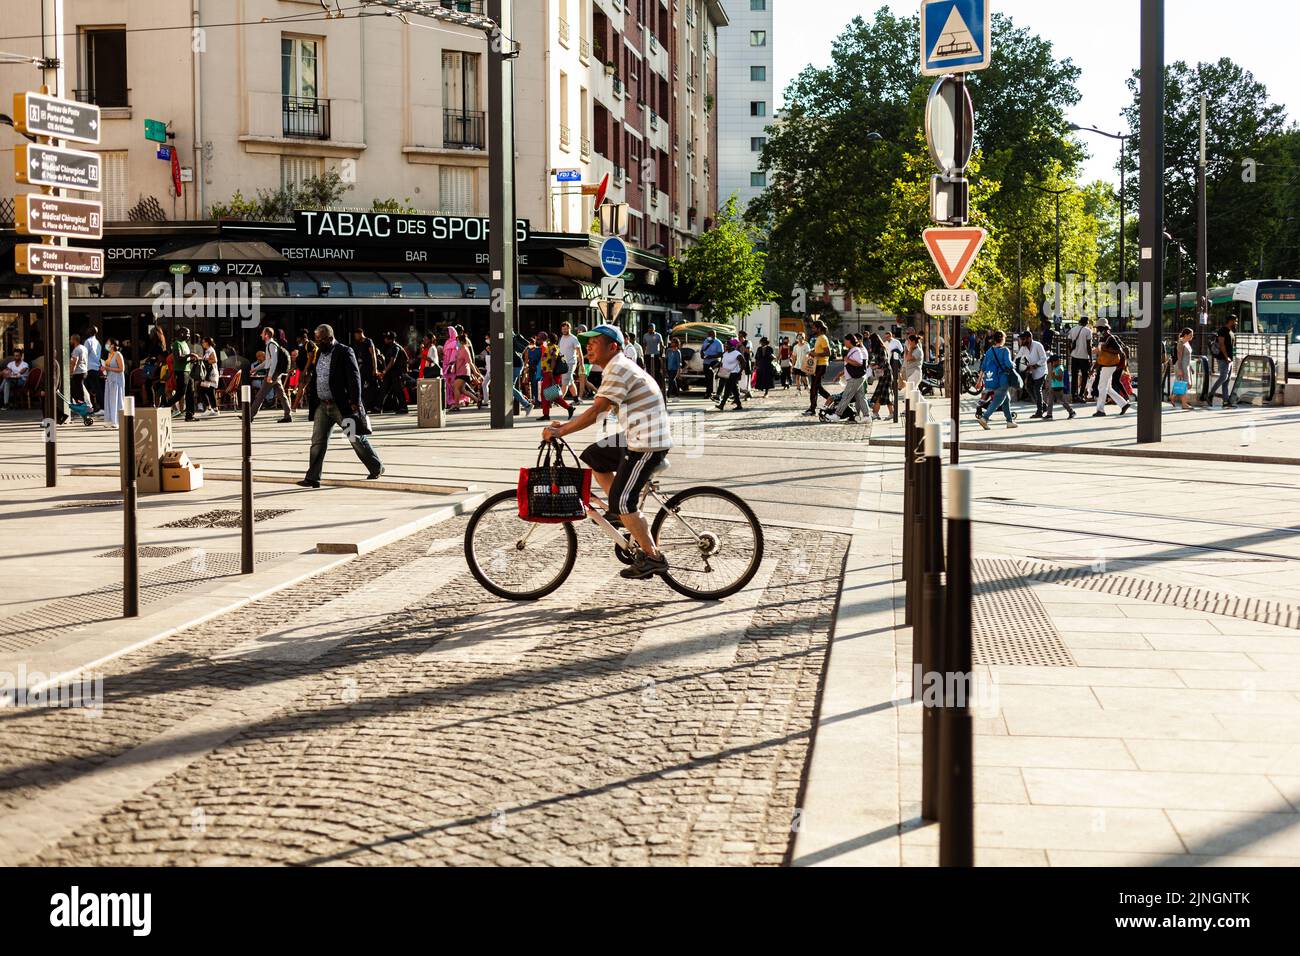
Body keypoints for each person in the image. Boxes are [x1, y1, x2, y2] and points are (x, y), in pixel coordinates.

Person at [543, 324, 673, 581]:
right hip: (637, 437)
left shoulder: (619, 369)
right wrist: (566, 425)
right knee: (594, 456)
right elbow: (597, 410)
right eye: (587, 342)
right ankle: (617, 513)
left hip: (647, 444)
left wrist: (562, 431)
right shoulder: (616, 367)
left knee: (624, 501)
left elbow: (597, 411)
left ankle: (653, 557)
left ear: (612, 346)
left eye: (595, 342)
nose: (588, 346)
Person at [298, 324, 384, 488]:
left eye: (320, 340)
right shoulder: (320, 353)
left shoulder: (344, 351)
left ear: (330, 338)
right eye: (316, 339)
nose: (317, 343)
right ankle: (312, 478)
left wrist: (355, 402)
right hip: (323, 406)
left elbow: (354, 378)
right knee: (317, 442)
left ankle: (376, 467)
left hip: (341, 406)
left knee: (355, 439)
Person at [976, 331, 1018, 430]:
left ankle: (1009, 421)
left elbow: (983, 367)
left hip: (991, 380)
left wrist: (979, 381)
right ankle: (984, 418)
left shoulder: (989, 351)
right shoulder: (1005, 350)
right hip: (1002, 380)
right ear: (1003, 339)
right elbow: (1008, 364)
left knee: (1006, 399)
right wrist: (1014, 365)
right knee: (997, 400)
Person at [823, 334, 869, 423]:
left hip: (855, 378)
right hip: (856, 377)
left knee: (846, 396)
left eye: (845, 341)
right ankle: (867, 416)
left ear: (849, 341)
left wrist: (847, 360)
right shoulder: (854, 350)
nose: (844, 342)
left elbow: (859, 363)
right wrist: (840, 374)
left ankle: (837, 415)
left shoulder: (856, 350)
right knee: (860, 397)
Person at [250, 326, 291, 422]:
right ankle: (288, 415)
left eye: (262, 333)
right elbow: (267, 362)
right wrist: (255, 369)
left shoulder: (271, 345)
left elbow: (274, 361)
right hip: (275, 373)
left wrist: (270, 375)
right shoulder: (270, 344)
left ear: (267, 335)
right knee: (281, 394)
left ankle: (249, 415)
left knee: (260, 394)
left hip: (273, 373)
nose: (261, 334)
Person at [1091, 322, 1131, 417]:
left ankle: (1100, 410)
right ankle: (1124, 404)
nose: (1097, 331)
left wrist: (1106, 349)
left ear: (1102, 329)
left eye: (1098, 329)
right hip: (1104, 365)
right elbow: (1101, 355)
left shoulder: (1111, 338)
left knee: (1102, 387)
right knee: (1108, 388)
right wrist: (1093, 367)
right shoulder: (1102, 338)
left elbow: (1120, 351)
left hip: (1108, 366)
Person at [1016, 330, 1050, 419]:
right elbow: (1017, 358)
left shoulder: (1038, 345)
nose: (1021, 341)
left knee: (1037, 389)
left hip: (1041, 371)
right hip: (1031, 372)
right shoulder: (1023, 348)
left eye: (1023, 339)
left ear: (1029, 338)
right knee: (1028, 387)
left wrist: (1035, 366)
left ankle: (1040, 411)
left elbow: (1043, 359)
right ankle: (1043, 406)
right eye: (1021, 339)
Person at [802, 320, 833, 416]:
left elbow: (828, 353)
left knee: (814, 387)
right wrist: (813, 351)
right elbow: (820, 350)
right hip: (817, 365)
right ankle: (832, 399)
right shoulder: (819, 338)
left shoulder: (823, 338)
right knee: (817, 387)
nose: (812, 329)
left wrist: (815, 354)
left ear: (819, 328)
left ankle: (812, 409)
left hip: (821, 365)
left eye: (814, 328)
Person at [1209, 315, 1237, 408]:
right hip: (1223, 358)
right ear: (1230, 321)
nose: (1236, 323)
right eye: (1235, 321)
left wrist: (1230, 358)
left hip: (1230, 359)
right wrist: (1226, 357)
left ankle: (1225, 401)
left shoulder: (1231, 332)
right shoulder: (1222, 331)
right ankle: (1210, 395)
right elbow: (1221, 344)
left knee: (1227, 380)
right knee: (1223, 377)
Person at [866, 332, 894, 421]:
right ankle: (876, 413)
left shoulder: (881, 349)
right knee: (880, 394)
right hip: (883, 374)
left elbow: (883, 362)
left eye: (871, 341)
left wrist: (873, 366)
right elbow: (880, 362)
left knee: (885, 394)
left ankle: (891, 413)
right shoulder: (878, 349)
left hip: (886, 374)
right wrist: (872, 364)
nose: (870, 342)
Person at [379, 331, 410, 414]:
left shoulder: (395, 347)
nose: (384, 339)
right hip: (391, 373)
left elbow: (393, 361)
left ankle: (403, 408)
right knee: (384, 389)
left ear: (391, 339)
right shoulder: (389, 347)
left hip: (396, 372)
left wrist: (385, 371)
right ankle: (380, 407)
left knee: (398, 390)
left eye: (386, 338)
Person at [352, 328, 380, 412]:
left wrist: (375, 368)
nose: (355, 337)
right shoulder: (358, 343)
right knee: (359, 386)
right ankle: (362, 406)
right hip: (362, 367)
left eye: (356, 335)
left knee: (373, 386)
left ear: (360, 333)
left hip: (369, 367)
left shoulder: (368, 341)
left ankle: (375, 406)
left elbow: (373, 355)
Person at [1170, 326, 1197, 412]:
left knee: (1188, 385)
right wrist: (1180, 369)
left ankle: (1173, 396)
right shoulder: (1180, 343)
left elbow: (1188, 357)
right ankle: (1184, 404)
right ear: (1185, 335)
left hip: (1187, 366)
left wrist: (1190, 367)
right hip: (1181, 366)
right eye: (1190, 335)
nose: (1192, 337)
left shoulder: (1187, 343)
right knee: (1185, 384)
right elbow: (1180, 357)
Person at [101, 338, 126, 429]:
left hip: (117, 380)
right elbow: (109, 367)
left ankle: (117, 421)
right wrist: (104, 369)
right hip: (109, 379)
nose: (106, 345)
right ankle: (110, 420)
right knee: (109, 399)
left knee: (116, 399)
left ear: (112, 345)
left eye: (108, 343)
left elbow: (121, 369)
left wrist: (108, 369)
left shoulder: (118, 354)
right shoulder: (109, 354)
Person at [1066, 318, 1093, 403]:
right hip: (1084, 357)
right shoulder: (1088, 331)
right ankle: (1081, 396)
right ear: (1086, 322)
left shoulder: (1072, 330)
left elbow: (1068, 342)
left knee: (1074, 376)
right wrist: (1091, 358)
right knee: (1084, 376)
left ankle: (1074, 396)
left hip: (1074, 356)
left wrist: (1071, 351)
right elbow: (1089, 346)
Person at [715, 337, 745, 411]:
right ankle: (739, 405)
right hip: (725, 372)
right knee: (734, 389)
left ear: (732, 346)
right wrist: (718, 372)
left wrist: (740, 372)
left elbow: (743, 363)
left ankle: (722, 405)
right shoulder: (725, 353)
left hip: (733, 374)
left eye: (727, 345)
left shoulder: (737, 354)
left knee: (727, 389)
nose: (725, 346)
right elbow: (722, 363)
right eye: (725, 345)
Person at [1044, 355, 1077, 421]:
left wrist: (1054, 376)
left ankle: (1071, 412)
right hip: (1053, 387)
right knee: (1050, 401)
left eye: (1052, 362)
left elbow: (1060, 378)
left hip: (1058, 387)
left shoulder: (1060, 368)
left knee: (1062, 401)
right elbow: (1053, 378)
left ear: (1056, 362)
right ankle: (1049, 414)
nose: (1051, 364)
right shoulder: (1054, 368)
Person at [558, 321, 583, 404]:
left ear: (570, 328)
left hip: (571, 363)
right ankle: (576, 400)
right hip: (563, 363)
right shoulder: (561, 338)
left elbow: (579, 352)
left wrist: (582, 365)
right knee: (570, 381)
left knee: (564, 383)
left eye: (566, 328)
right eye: (563, 329)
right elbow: (560, 351)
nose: (565, 330)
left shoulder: (574, 338)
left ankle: (559, 400)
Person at [197, 336, 221, 416]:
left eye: (203, 342)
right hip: (208, 374)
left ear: (207, 342)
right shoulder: (207, 350)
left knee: (203, 389)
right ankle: (214, 409)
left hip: (211, 374)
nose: (202, 343)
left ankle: (210, 408)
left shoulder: (210, 350)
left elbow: (215, 360)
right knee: (209, 391)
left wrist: (204, 360)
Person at [83, 325, 103, 410]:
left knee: (88, 389)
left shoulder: (88, 341)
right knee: (96, 388)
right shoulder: (98, 343)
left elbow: (84, 354)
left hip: (89, 368)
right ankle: (99, 406)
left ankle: (94, 407)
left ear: (90, 331)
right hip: (96, 368)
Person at [699, 330, 724, 399]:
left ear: (714, 335)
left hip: (714, 362)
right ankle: (708, 392)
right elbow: (702, 349)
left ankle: (710, 393)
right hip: (706, 362)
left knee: (711, 378)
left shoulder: (718, 343)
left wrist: (710, 356)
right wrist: (701, 354)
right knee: (707, 378)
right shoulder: (706, 341)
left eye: (710, 334)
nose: (708, 336)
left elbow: (720, 354)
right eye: (708, 334)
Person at [641, 322, 665, 390]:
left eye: (652, 328)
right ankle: (649, 385)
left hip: (656, 355)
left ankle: (658, 385)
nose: (650, 330)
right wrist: (643, 354)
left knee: (657, 371)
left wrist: (662, 353)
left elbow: (661, 345)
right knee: (648, 370)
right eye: (649, 328)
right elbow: (644, 345)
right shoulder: (645, 335)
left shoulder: (658, 335)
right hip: (648, 355)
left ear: (654, 329)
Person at [68, 336, 89, 407]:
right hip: (84, 371)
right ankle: (82, 404)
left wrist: (71, 372)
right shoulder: (84, 348)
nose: (70, 341)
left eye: (71, 339)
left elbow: (74, 362)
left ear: (74, 340)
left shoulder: (76, 350)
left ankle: (81, 406)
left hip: (78, 372)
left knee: (77, 390)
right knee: (80, 389)